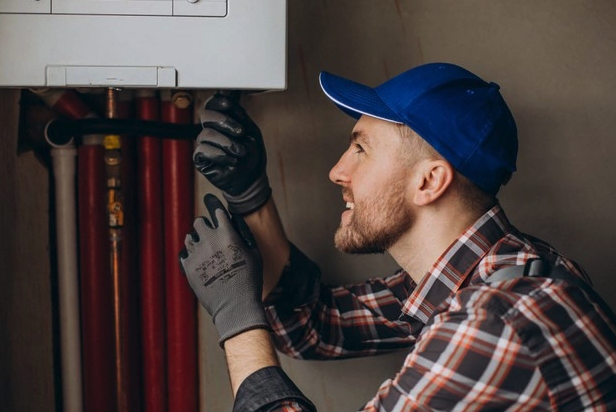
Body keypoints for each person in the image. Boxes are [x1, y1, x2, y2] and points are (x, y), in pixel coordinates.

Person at [179, 62, 616, 411]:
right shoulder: (494, 269)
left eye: (361, 148)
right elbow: (315, 327)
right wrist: (250, 193)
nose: (337, 171)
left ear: (429, 182)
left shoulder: (495, 322)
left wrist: (236, 317)